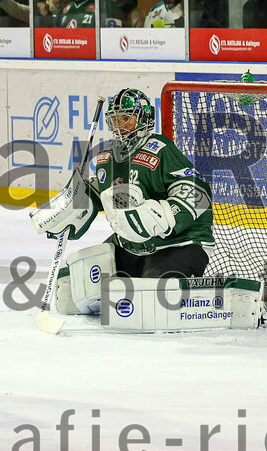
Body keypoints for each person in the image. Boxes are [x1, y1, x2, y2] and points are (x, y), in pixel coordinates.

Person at [31, 88, 215, 314]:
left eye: (126, 119)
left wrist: (164, 215)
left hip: (179, 244)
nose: (119, 126)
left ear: (144, 117)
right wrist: (75, 204)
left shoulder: (160, 149)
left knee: (156, 301)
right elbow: (97, 193)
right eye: (115, 120)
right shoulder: (107, 156)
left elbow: (200, 194)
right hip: (131, 245)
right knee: (71, 289)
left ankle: (202, 295)